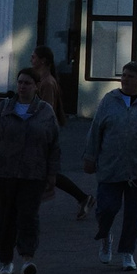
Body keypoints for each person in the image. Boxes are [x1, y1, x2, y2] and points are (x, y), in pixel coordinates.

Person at [85, 61, 137, 271]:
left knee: (134, 214)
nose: (125, 79)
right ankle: (105, 236)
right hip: (110, 166)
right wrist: (90, 156)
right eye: (123, 75)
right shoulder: (109, 100)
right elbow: (96, 129)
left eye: (131, 76)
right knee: (106, 208)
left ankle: (128, 252)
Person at [0, 65, 60, 274]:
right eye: (20, 82)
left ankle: (27, 259)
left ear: (36, 86)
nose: (22, 87)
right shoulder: (4, 108)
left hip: (33, 174)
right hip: (4, 173)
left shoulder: (45, 112)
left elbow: (54, 145)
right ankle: (6, 260)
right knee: (5, 219)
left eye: (27, 83)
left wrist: (52, 173)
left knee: (28, 217)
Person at [30, 47, 91, 219]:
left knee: (42, 173)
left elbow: (46, 111)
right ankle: (83, 198)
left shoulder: (47, 83)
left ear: (43, 60)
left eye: (34, 57)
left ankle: (16, 211)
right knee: (43, 173)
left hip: (43, 135)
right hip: (39, 132)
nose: (31, 59)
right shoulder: (41, 80)